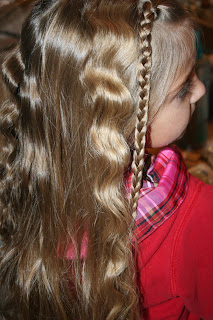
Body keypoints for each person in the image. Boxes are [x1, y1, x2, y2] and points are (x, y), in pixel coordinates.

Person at [0, 0, 212, 319]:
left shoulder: (19, 189)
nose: (200, 90)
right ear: (120, 119)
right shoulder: (199, 216)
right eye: (183, 88)